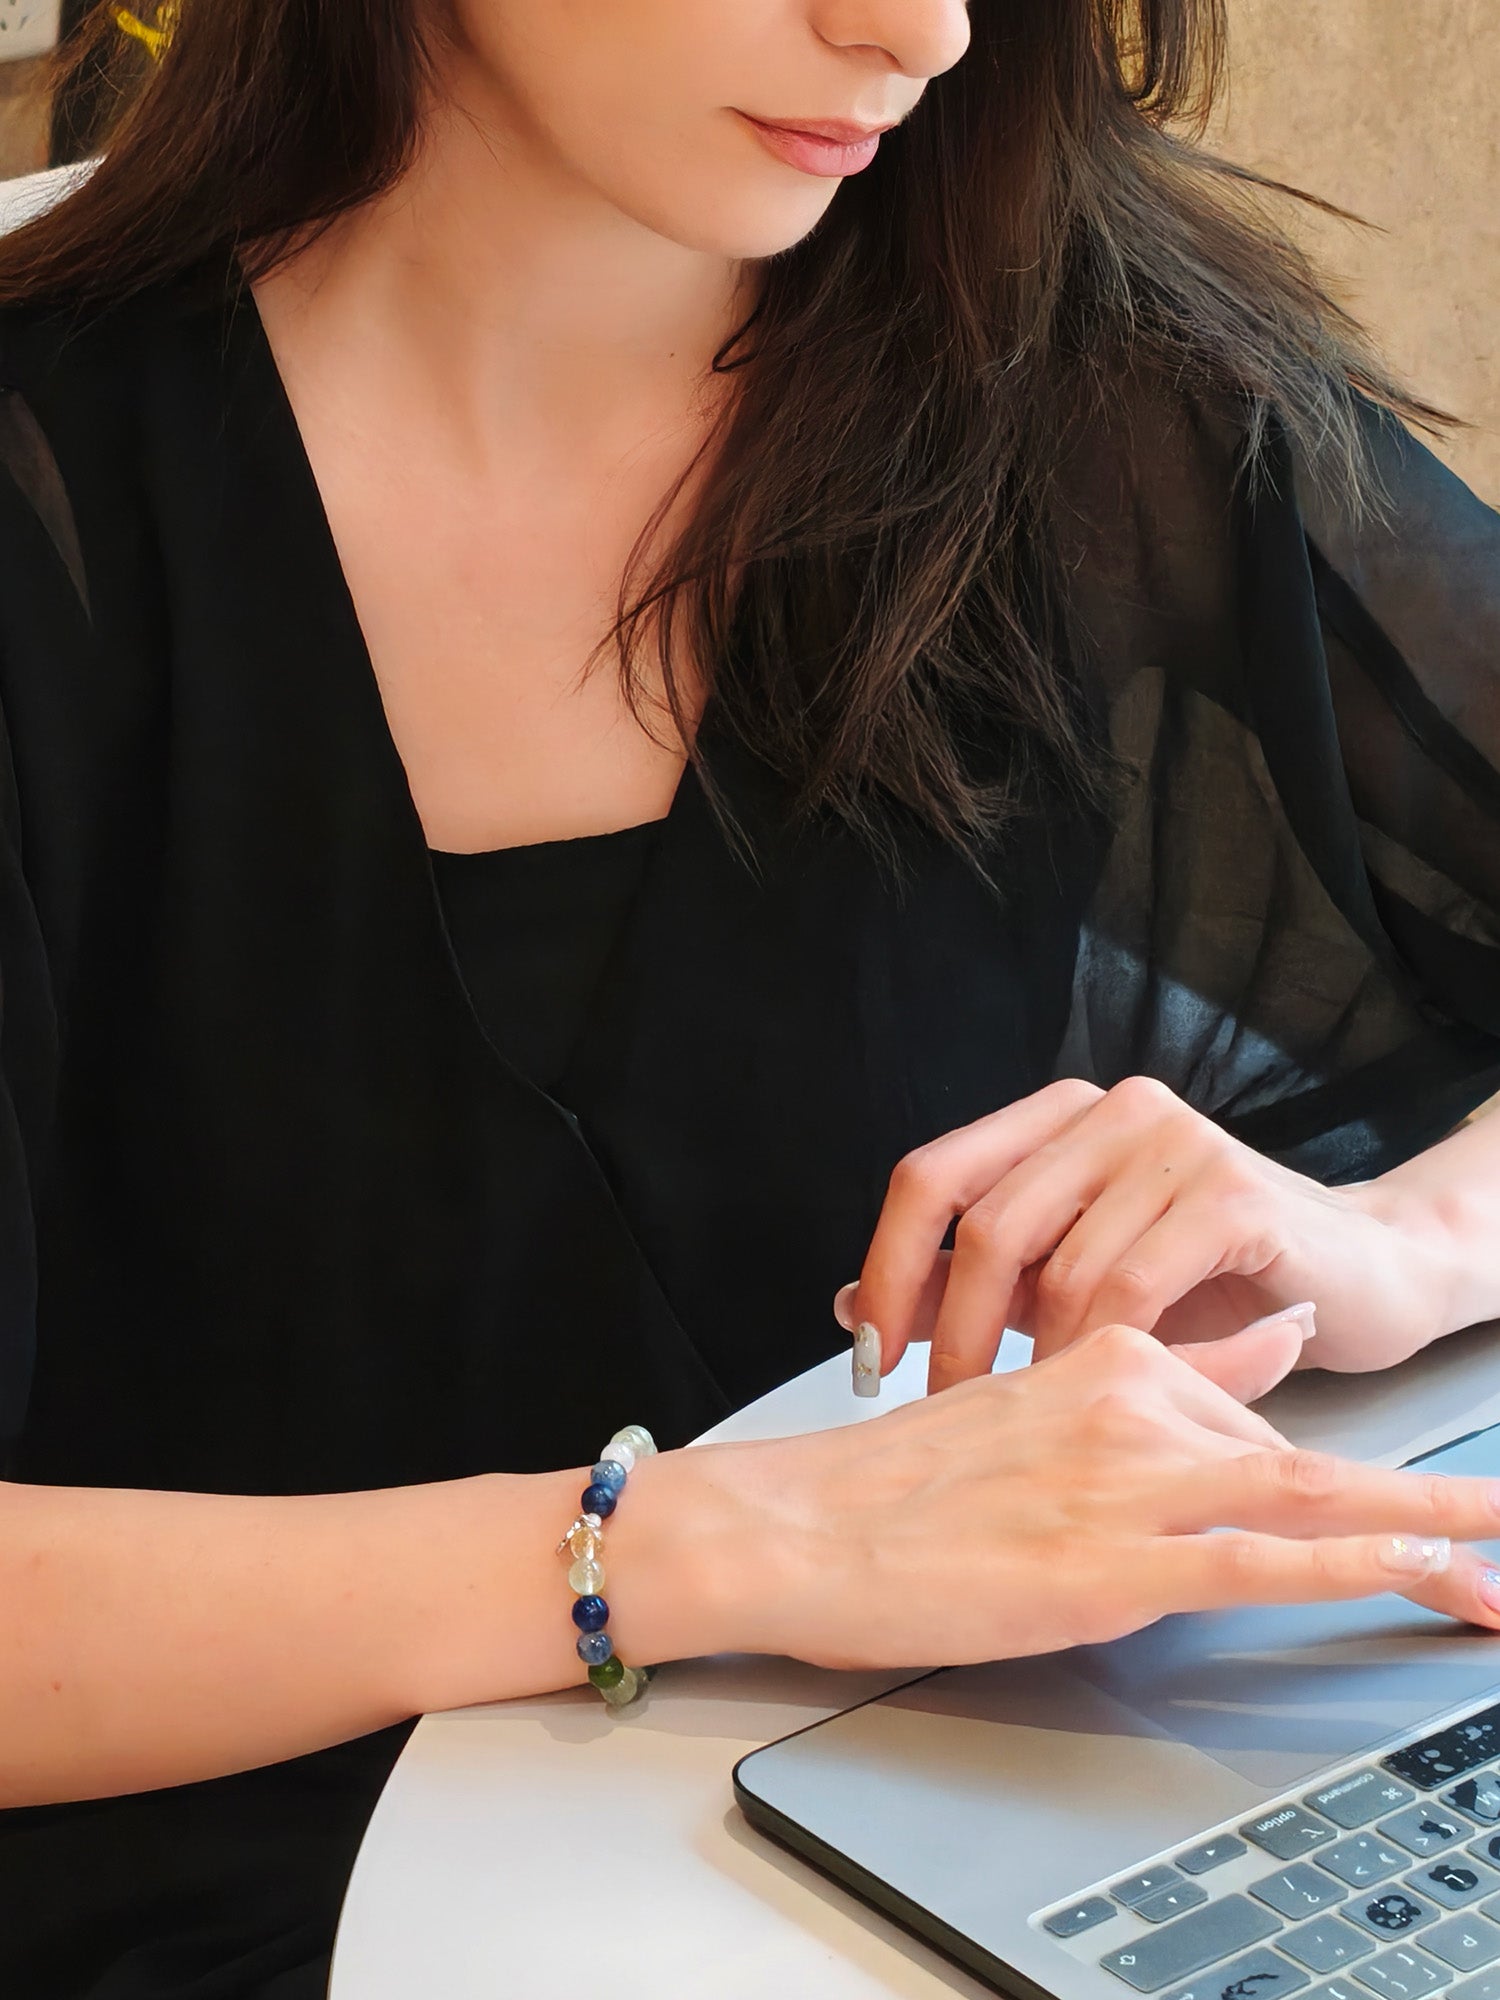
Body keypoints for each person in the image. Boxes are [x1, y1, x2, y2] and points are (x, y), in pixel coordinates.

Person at [0, 0, 1498, 1992]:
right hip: (222, 1907)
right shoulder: (51, 512)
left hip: (957, 1853)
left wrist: (1402, 1232)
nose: (918, 30)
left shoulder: (1073, 368)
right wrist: (706, 1546)